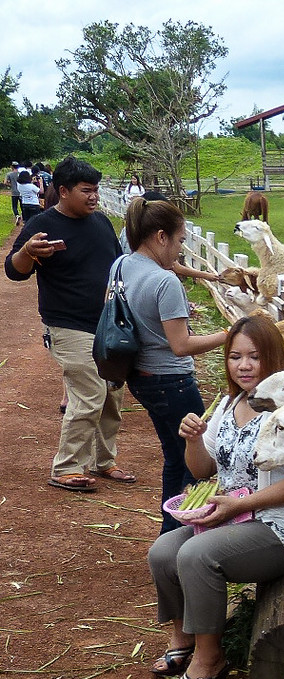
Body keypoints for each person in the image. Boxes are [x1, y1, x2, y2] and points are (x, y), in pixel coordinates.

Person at [147, 314, 284, 679]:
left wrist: (239, 505)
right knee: (162, 551)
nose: (243, 365)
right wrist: (193, 441)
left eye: (255, 357)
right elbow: (203, 470)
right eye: (235, 356)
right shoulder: (230, 403)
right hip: (233, 516)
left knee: (197, 554)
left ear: (274, 359)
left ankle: (210, 658)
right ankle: (184, 635)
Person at [4, 156, 130, 493]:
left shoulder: (101, 223)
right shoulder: (42, 225)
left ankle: (105, 462)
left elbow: (119, 268)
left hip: (107, 324)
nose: (94, 197)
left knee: (112, 395)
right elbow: (14, 271)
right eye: (86, 190)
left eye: (96, 190)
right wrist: (28, 252)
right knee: (89, 392)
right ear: (63, 191)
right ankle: (67, 467)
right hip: (67, 324)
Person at [121, 197, 232, 533]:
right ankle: (183, 536)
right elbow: (181, 345)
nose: (180, 250)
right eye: (180, 240)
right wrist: (229, 334)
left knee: (173, 455)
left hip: (139, 376)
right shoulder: (164, 282)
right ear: (160, 237)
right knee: (194, 465)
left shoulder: (123, 265)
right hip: (172, 381)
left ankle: (168, 532)